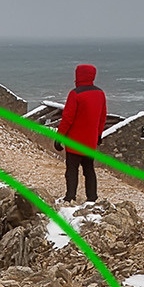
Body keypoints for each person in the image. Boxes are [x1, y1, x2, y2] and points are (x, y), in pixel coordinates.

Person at [56, 63, 106, 203]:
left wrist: (59, 137)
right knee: (89, 170)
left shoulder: (75, 94)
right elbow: (102, 116)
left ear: (78, 75)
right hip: (90, 141)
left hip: (74, 141)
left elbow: (67, 118)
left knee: (72, 170)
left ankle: (70, 196)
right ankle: (92, 198)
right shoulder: (100, 93)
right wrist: (99, 135)